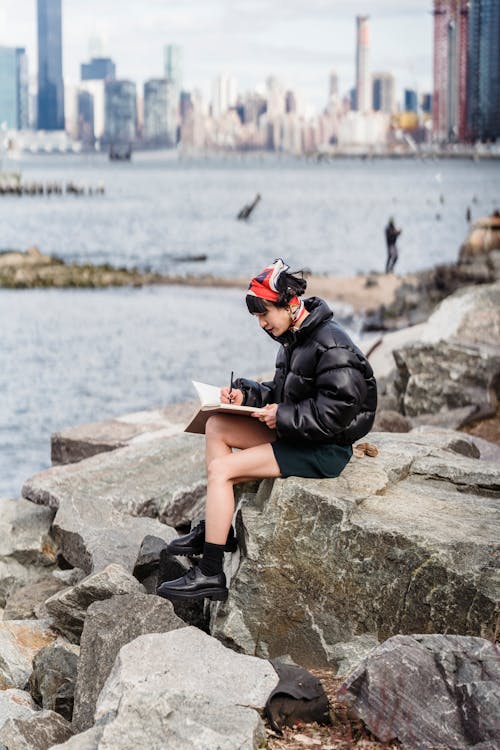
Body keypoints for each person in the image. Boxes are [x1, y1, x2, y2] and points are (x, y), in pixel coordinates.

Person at [156, 258, 377, 603]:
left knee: (223, 469)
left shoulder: (332, 344)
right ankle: (219, 531)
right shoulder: (294, 338)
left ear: (289, 304)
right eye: (257, 317)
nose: (261, 323)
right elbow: (283, 392)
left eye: (264, 314)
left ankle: (211, 573)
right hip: (300, 432)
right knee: (216, 425)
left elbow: (338, 411)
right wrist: (245, 394)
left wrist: (285, 416)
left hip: (323, 448)